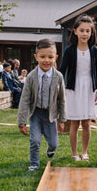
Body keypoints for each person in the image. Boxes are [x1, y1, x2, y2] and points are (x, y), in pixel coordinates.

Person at [17, 38, 66, 171]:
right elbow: (25, 99)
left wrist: (62, 119)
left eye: (50, 57)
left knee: (54, 143)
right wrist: (21, 121)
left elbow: (62, 99)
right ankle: (34, 163)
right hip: (36, 113)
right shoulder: (32, 77)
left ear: (55, 57)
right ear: (36, 57)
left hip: (50, 114)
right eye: (42, 56)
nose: (46, 60)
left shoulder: (59, 77)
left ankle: (51, 149)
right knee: (35, 141)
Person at [58, 14, 97, 161]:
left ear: (91, 33)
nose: (85, 34)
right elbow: (62, 70)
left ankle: (84, 152)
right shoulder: (70, 50)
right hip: (74, 88)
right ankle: (74, 153)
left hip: (89, 88)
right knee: (75, 123)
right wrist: (59, 88)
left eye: (88, 31)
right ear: (75, 31)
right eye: (82, 30)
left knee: (86, 122)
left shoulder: (94, 50)